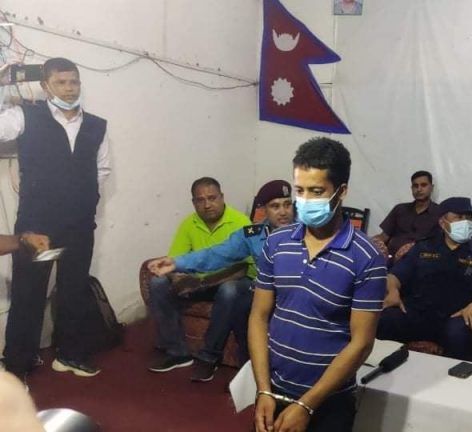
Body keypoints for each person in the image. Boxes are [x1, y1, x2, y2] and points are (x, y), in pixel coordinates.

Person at [249, 137, 386, 432]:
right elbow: (259, 316)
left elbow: (361, 343)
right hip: (274, 390)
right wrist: (262, 389)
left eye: (317, 191)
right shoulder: (276, 243)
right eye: (300, 191)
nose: (306, 201)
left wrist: (307, 405)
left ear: (341, 191)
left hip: (329, 401)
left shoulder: (367, 257)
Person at [0, 58, 112, 380]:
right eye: (61, 82)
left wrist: (81, 200)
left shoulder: (96, 126)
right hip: (38, 229)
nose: (69, 88)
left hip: (79, 226)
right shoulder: (25, 116)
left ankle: (70, 355)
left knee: (74, 290)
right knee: (29, 293)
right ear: (46, 86)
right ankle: (17, 366)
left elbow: (101, 170)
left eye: (73, 82)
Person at [147, 179, 294, 377]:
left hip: (297, 296)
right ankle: (249, 372)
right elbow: (217, 254)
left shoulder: (308, 231)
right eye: (275, 206)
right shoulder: (253, 234)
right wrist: (176, 263)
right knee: (245, 306)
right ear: (264, 210)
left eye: (287, 204)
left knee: (237, 294)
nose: (283, 212)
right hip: (267, 294)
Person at [377, 196, 472, 361]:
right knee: (384, 319)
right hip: (417, 313)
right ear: (442, 222)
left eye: (468, 218)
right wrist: (393, 292)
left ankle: (456, 377)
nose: (465, 222)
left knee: (459, 334)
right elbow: (394, 275)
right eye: (459, 217)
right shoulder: (423, 247)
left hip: (454, 317)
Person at [375, 170, 440, 257]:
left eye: (423, 185)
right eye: (415, 186)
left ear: (431, 187)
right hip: (390, 257)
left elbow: (439, 246)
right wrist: (376, 242)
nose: (419, 189)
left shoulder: (439, 213)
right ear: (411, 188)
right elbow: (384, 236)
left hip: (420, 259)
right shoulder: (400, 209)